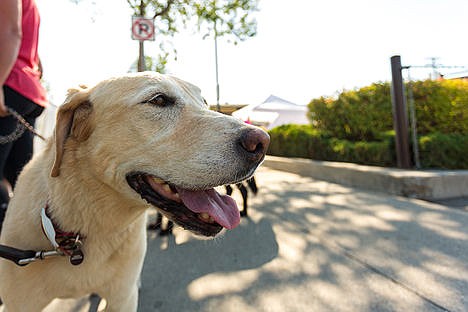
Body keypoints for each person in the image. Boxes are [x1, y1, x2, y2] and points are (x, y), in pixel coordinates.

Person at [0, 0, 48, 227]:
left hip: (9, 85)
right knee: (21, 183)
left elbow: (11, 32)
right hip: (27, 90)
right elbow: (36, 59)